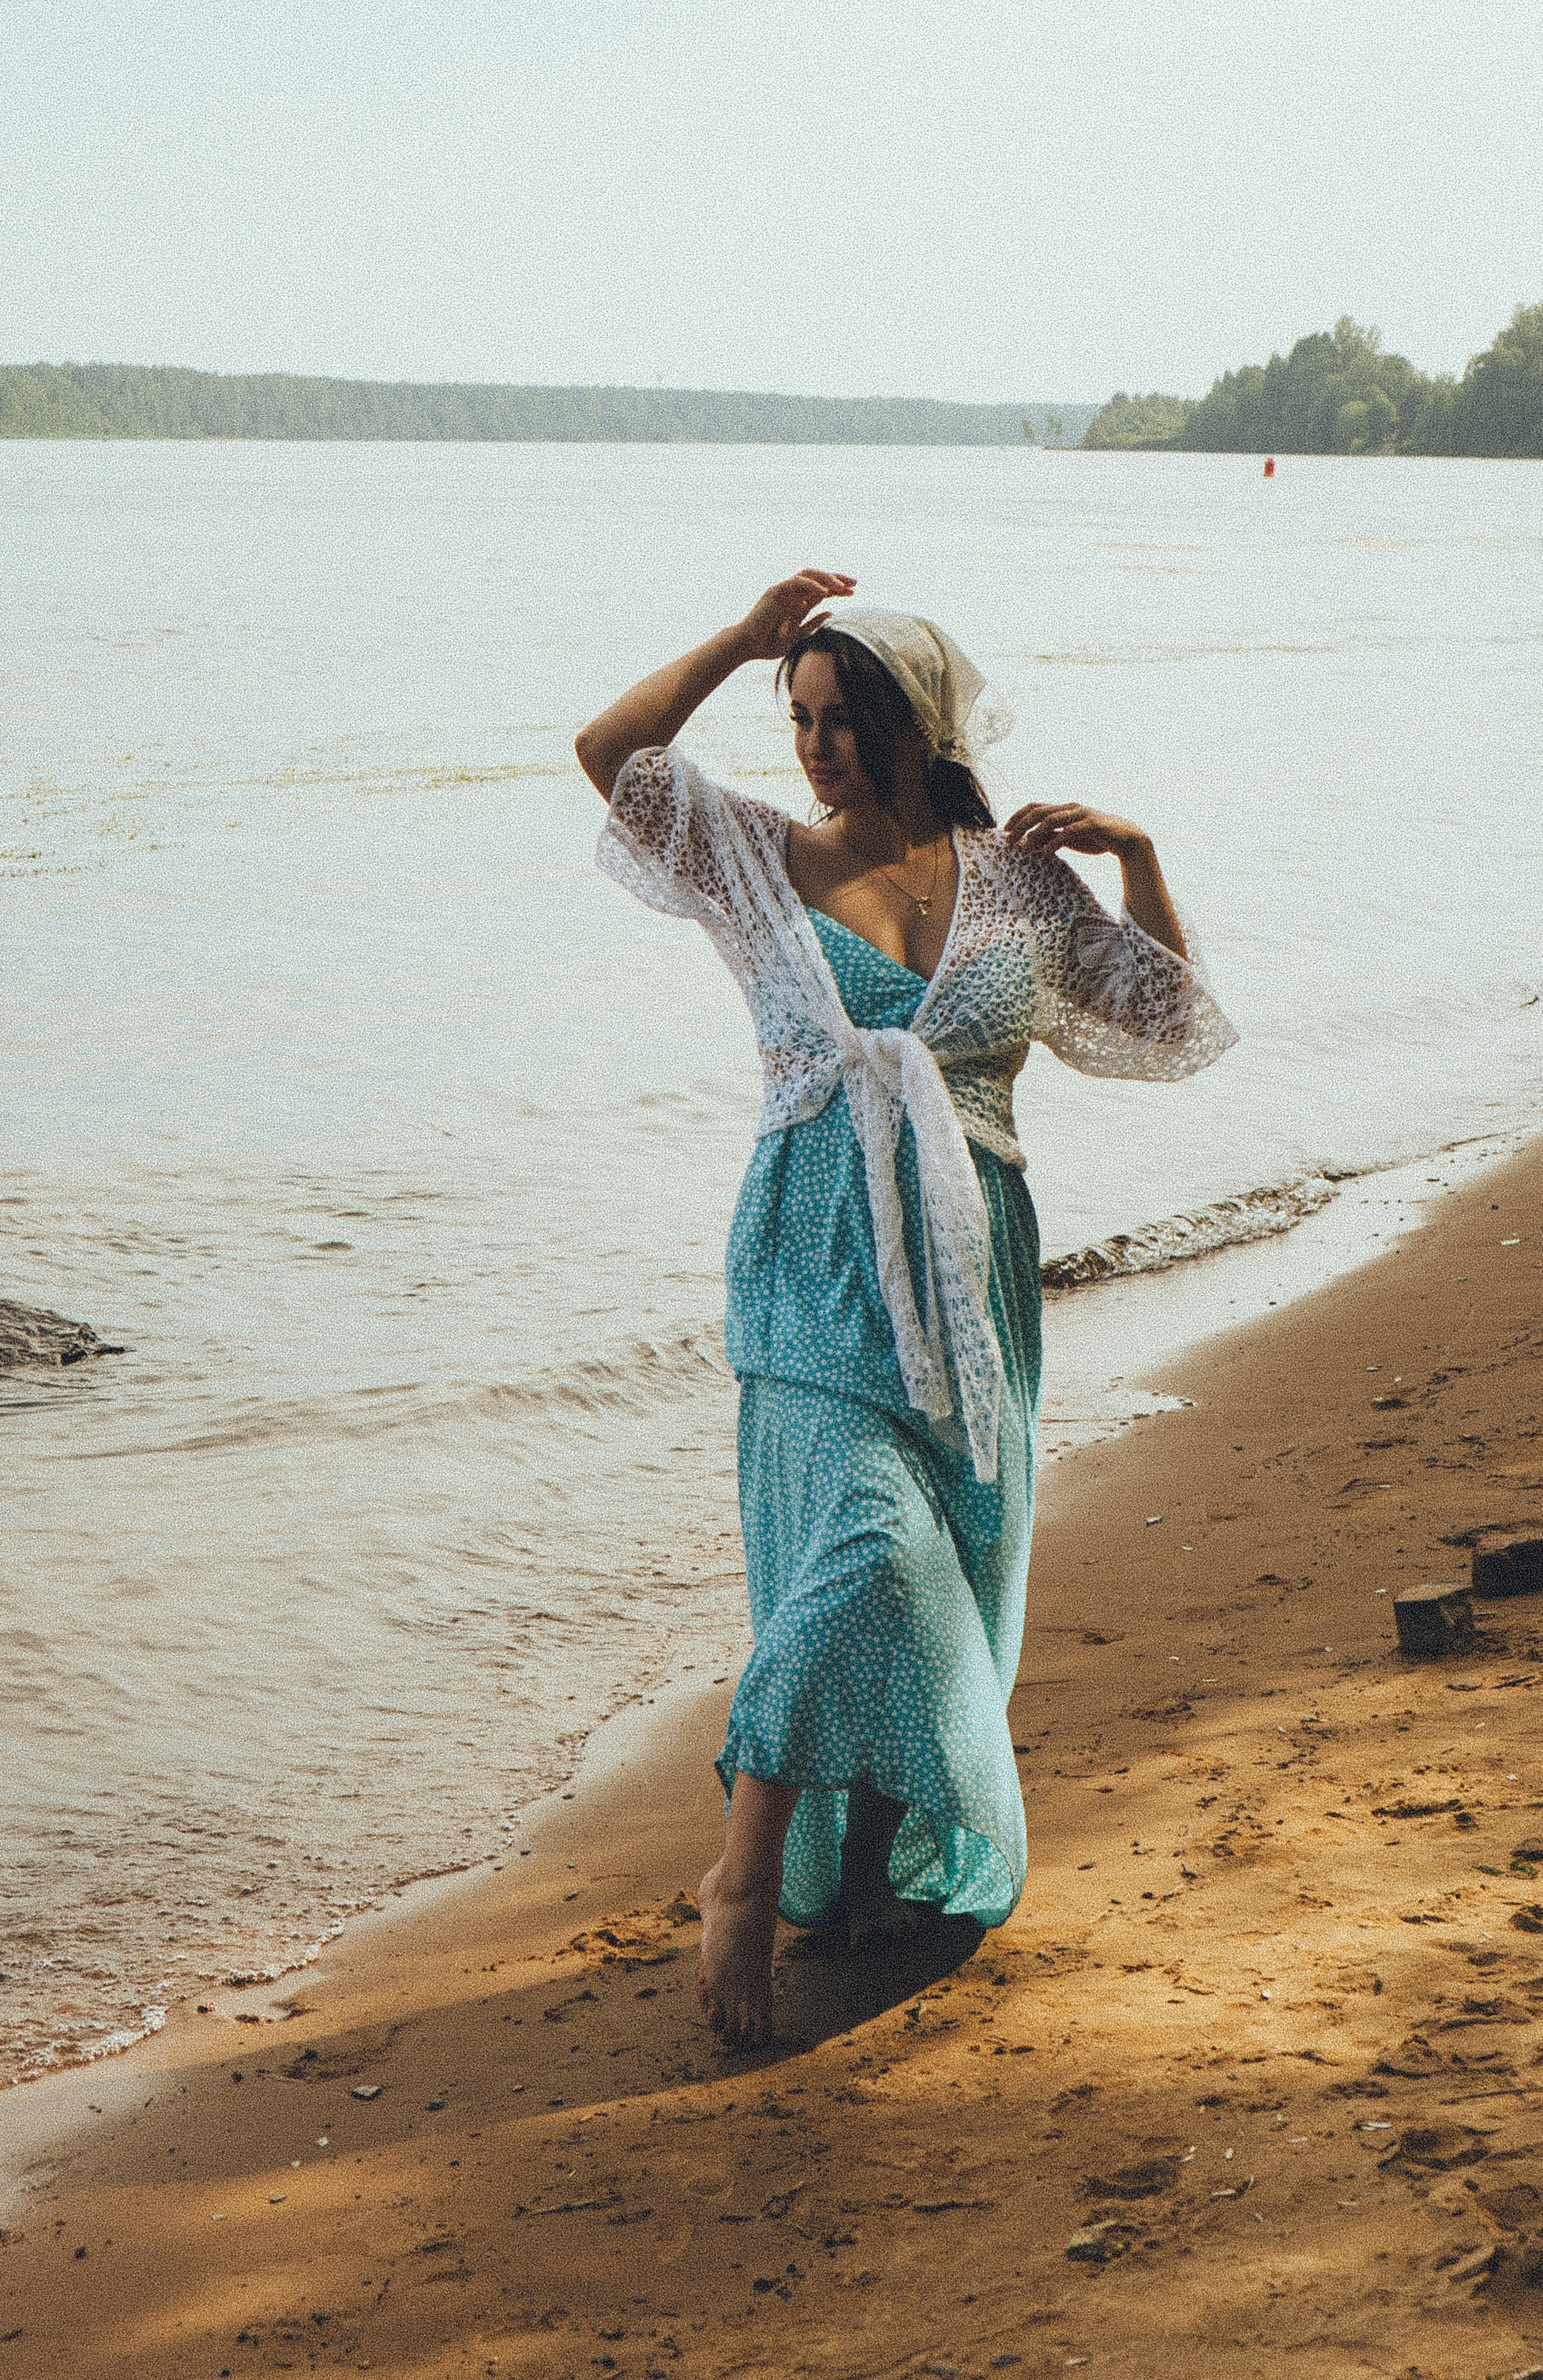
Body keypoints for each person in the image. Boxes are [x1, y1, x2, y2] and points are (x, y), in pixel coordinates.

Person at [576, 570, 1236, 2045]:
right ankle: (744, 1883)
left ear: (911, 723)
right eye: (797, 716)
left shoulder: (1013, 879)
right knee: (863, 1555)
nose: (815, 745)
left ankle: (867, 1874)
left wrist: (1137, 857)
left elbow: (1166, 1018)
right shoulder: (756, 863)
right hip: (811, 1255)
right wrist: (746, 638)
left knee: (945, 1587)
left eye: (844, 716)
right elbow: (613, 757)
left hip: (969, 1270)